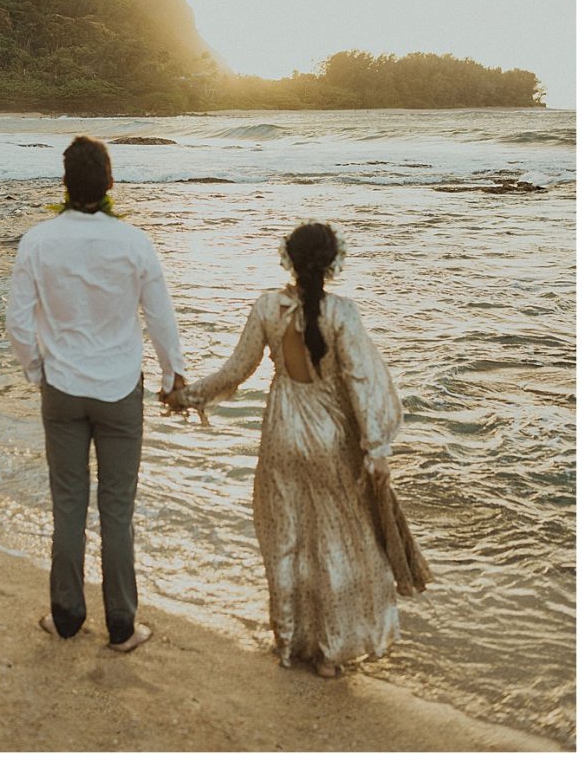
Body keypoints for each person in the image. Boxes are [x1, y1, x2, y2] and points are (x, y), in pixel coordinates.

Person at [162, 221, 427, 677]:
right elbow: (364, 385)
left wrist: (185, 396)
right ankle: (328, 653)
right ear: (333, 263)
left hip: (282, 430)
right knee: (336, 543)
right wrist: (376, 447)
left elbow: (235, 371)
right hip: (331, 437)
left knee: (285, 539)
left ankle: (289, 644)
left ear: (287, 258)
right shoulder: (342, 314)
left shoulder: (268, 307)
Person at [6, 136, 186, 653]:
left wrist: (37, 370)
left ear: (65, 184)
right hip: (118, 392)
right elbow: (160, 318)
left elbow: (18, 322)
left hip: (61, 388)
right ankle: (123, 625)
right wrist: (173, 376)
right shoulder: (134, 243)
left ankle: (65, 618)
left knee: (68, 506)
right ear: (109, 183)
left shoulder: (39, 241)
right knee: (117, 509)